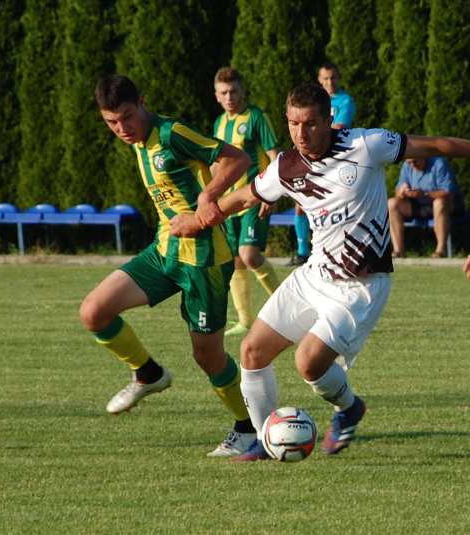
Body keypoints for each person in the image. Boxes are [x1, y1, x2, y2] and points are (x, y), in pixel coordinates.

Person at [171, 81, 470, 461]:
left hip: (360, 286)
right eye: (294, 124)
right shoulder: (286, 167)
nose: (301, 133)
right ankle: (266, 443)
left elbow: (439, 145)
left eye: (311, 123)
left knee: (308, 361)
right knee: (251, 351)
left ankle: (349, 408)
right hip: (314, 276)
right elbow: (246, 195)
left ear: (329, 120)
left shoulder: (367, 145)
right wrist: (199, 221)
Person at [81, 74, 257, 457]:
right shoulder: (139, 143)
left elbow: (237, 158)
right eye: (112, 122)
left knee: (207, 357)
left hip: (205, 260)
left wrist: (208, 197)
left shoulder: (172, 132)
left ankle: (249, 429)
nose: (122, 128)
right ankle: (148, 373)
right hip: (165, 252)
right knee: (94, 312)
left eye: (127, 116)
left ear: (142, 102)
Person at [212, 67, 281, 337]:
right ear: (216, 96)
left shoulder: (256, 117)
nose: (229, 97)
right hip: (229, 204)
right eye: (224, 93)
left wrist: (272, 192)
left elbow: (275, 156)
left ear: (242, 91)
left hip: (254, 197)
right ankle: (245, 320)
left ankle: (286, 305)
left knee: (249, 254)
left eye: (234, 91)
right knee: (235, 261)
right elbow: (218, 165)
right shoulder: (219, 124)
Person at [289, 62, 357, 266]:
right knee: (301, 203)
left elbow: (337, 127)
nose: (330, 82)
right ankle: (303, 251)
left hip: (337, 160)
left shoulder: (345, 100)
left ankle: (343, 249)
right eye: (325, 78)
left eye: (333, 77)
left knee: (337, 205)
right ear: (319, 80)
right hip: (314, 157)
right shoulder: (315, 102)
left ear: (339, 78)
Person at [388, 157, 463, 258]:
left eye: (415, 161)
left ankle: (440, 250)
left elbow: (448, 192)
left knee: (439, 203)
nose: (412, 165)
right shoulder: (407, 166)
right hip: (418, 206)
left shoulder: (439, 163)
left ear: (423, 155)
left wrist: (424, 194)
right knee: (392, 203)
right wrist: (402, 193)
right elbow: (398, 191)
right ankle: (398, 251)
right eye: (409, 163)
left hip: (444, 206)